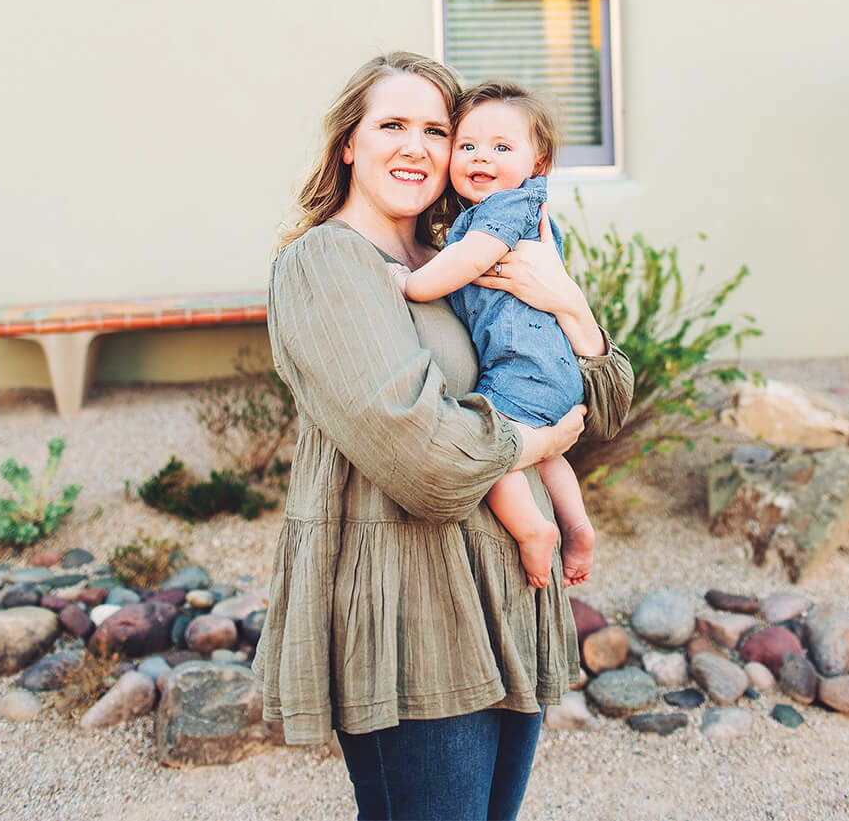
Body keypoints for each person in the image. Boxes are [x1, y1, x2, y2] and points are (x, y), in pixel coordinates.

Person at [253, 52, 635, 821]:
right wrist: (534, 442)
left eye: (437, 129)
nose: (418, 146)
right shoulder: (328, 262)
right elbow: (423, 454)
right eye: (392, 124)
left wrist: (571, 304)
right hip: (416, 611)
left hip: (506, 604)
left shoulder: (457, 257)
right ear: (348, 144)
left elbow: (598, 403)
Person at [393, 80, 597, 590]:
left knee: (491, 446)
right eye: (467, 147)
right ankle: (577, 525)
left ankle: (533, 532)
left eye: (502, 148)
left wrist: (411, 283)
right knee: (549, 454)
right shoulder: (494, 211)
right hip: (552, 372)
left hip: (522, 370)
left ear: (539, 161)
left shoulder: (507, 209)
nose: (481, 158)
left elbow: (469, 261)